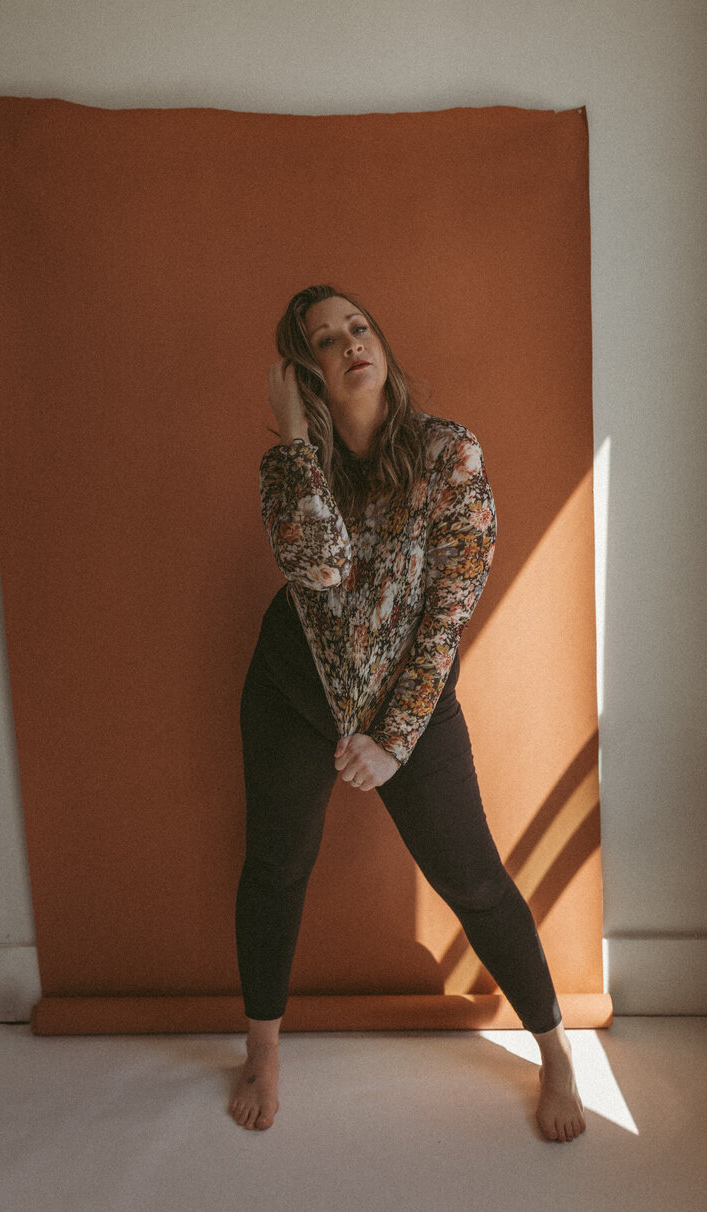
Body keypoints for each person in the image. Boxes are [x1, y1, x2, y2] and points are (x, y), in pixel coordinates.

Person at [229, 284, 586, 1143]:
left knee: (473, 879)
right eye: (323, 341)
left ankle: (557, 1051)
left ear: (381, 342)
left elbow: (448, 613)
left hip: (410, 708)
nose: (351, 343)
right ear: (304, 373)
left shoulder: (447, 455)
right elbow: (315, 567)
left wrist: (392, 740)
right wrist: (290, 433)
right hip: (289, 693)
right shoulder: (295, 465)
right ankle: (263, 1050)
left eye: (359, 327)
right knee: (276, 868)